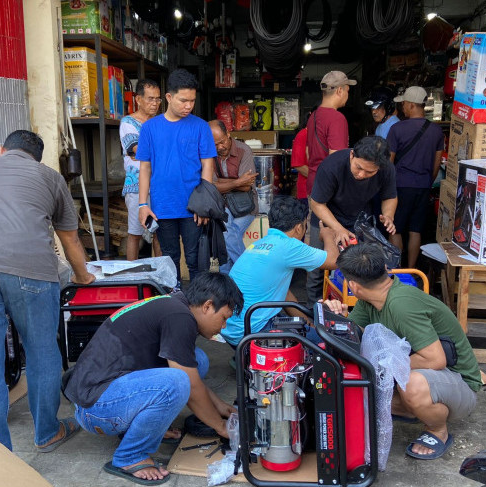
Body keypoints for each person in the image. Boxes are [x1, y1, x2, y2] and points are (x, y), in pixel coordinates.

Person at [0, 130, 95, 451]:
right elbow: (69, 239)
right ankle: (47, 433)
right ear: (37, 158)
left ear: (2, 150)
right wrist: (83, 277)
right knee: (41, 349)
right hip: (29, 267)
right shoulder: (50, 177)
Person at [63, 272, 243, 485]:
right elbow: (190, 384)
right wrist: (221, 427)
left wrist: (220, 406)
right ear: (207, 306)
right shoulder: (180, 318)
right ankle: (130, 456)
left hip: (101, 392)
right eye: (223, 318)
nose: (223, 327)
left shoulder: (175, 304)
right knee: (177, 383)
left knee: (197, 360)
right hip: (95, 408)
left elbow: (191, 374)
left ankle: (140, 428)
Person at [326, 243, 481, 460]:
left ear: (353, 285)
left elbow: (435, 359)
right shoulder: (370, 300)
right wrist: (336, 316)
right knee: (353, 392)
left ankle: (437, 430)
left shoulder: (401, 304)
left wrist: (383, 368)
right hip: (429, 377)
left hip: (459, 384)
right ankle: (411, 408)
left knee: (412, 385)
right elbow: (352, 339)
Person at [220, 196, 339, 348]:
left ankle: (245, 357)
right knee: (328, 342)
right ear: (298, 228)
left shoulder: (260, 243)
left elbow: (285, 296)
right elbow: (333, 260)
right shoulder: (289, 245)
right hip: (251, 332)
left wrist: (309, 326)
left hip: (232, 330)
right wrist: (327, 235)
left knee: (311, 331)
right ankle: (255, 357)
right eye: (305, 226)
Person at [136, 69, 216, 284]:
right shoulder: (150, 128)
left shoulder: (200, 127)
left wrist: (204, 203)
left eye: (192, 101)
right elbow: (145, 168)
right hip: (163, 205)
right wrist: (143, 204)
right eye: (183, 100)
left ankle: (200, 308)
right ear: (169, 97)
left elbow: (208, 164)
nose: (188, 106)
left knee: (196, 260)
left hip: (193, 207)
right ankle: (175, 304)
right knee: (169, 260)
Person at [306, 136, 398, 306]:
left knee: (361, 268)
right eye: (359, 168)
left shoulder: (387, 169)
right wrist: (337, 228)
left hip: (360, 221)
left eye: (370, 172)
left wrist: (388, 215)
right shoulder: (332, 166)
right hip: (326, 220)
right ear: (352, 155)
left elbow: (390, 197)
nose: (361, 174)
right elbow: (317, 203)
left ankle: (354, 311)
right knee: (318, 269)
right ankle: (314, 312)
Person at [387, 86, 444, 268]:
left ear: (411, 105)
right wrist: (426, 181)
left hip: (400, 186)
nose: (402, 107)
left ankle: (397, 270)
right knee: (415, 230)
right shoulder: (436, 131)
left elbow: (389, 162)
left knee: (395, 228)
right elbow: (436, 164)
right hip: (423, 186)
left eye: (404, 104)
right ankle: (411, 270)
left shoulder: (397, 129)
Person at [120, 78, 163, 260]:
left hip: (160, 185)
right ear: (138, 99)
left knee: (160, 233)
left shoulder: (161, 122)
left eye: (158, 99)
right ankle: (131, 277)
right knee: (135, 233)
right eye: (150, 99)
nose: (155, 103)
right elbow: (136, 149)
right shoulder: (128, 122)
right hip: (136, 186)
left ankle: (163, 277)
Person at [208, 119, 258, 272]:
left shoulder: (244, 150)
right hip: (221, 204)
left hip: (246, 206)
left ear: (228, 134)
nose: (219, 147)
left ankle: (230, 274)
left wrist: (221, 184)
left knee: (227, 230)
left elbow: (247, 186)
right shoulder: (208, 152)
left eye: (222, 142)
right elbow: (210, 186)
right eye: (215, 144)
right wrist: (237, 182)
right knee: (228, 228)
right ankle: (245, 272)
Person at [305, 71, 356, 197]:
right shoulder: (337, 118)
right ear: (339, 91)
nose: (347, 96)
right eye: (347, 91)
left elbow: (307, 153)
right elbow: (337, 159)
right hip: (329, 187)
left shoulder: (313, 117)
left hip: (313, 182)